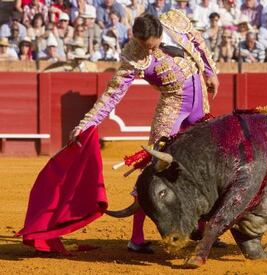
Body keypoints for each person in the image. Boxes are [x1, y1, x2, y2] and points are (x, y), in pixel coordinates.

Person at [69, 11, 219, 253]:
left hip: (200, 105)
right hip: (173, 109)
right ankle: (136, 237)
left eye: (151, 45)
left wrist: (211, 72)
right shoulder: (134, 56)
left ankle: (201, 227)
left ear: (160, 32)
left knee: (204, 165)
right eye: (142, 45)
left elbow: (198, 41)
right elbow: (112, 94)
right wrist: (87, 123)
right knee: (154, 168)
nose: (147, 51)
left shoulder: (175, 22)